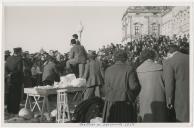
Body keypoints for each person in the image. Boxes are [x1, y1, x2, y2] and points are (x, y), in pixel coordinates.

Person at [102, 50, 140, 122]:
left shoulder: (108, 69)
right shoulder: (129, 69)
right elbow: (134, 86)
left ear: (115, 58)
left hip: (111, 103)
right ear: (125, 58)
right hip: (125, 102)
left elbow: (105, 88)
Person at [136, 49, 168, 122]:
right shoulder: (161, 67)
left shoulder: (138, 69)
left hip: (144, 99)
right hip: (160, 97)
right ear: (153, 56)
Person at [163, 45, 189, 122]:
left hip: (180, 99)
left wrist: (169, 100)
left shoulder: (169, 62)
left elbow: (169, 84)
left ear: (169, 53)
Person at [5, 47, 24, 114]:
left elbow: (5, 68)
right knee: (16, 96)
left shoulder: (8, 58)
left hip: (9, 80)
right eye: (21, 51)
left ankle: (9, 109)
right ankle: (15, 110)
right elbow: (19, 71)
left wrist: (8, 75)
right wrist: (12, 74)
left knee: (10, 94)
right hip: (17, 80)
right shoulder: (19, 59)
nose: (22, 52)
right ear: (18, 52)